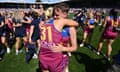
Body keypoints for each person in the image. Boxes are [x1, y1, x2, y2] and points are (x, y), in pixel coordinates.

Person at [39, 3, 78, 72]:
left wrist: (63, 48)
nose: (54, 17)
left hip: (60, 57)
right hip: (47, 57)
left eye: (57, 15)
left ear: (65, 14)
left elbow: (74, 48)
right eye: (54, 14)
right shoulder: (50, 23)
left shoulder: (70, 28)